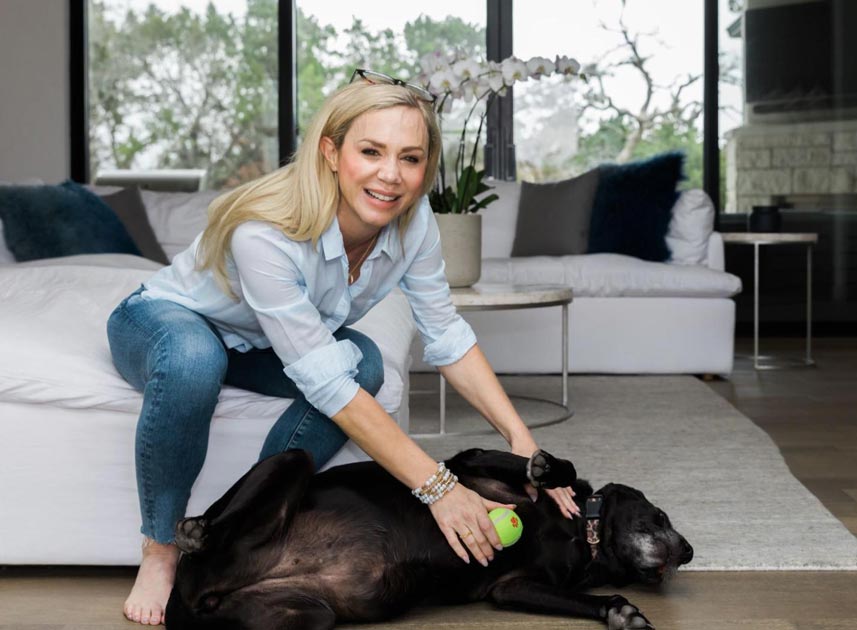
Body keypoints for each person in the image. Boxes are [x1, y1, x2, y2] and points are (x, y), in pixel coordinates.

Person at [106, 69, 580, 626]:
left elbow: (447, 335)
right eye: (371, 151)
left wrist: (523, 444)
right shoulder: (264, 233)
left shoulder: (415, 223)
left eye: (410, 158)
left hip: (258, 343)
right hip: (168, 320)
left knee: (366, 362)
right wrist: (439, 487)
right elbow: (327, 384)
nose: (390, 175)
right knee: (195, 360)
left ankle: (253, 525)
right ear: (331, 152)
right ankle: (161, 550)